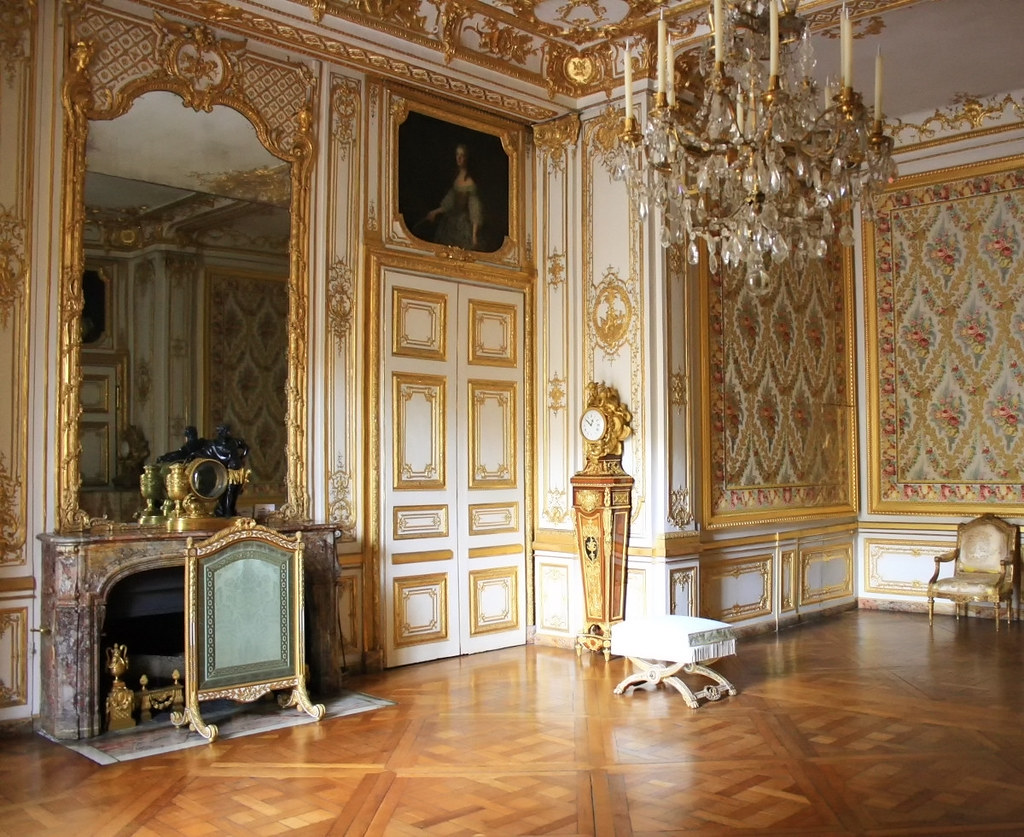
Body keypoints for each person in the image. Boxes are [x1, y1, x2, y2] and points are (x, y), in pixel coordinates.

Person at [424, 143, 484, 250]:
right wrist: (434, 212)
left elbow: (475, 210)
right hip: (449, 222)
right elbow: (449, 203)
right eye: (457, 155)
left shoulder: (470, 183)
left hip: (462, 226)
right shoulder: (456, 176)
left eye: (462, 155)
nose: (459, 158)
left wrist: (474, 236)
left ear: (467, 158)